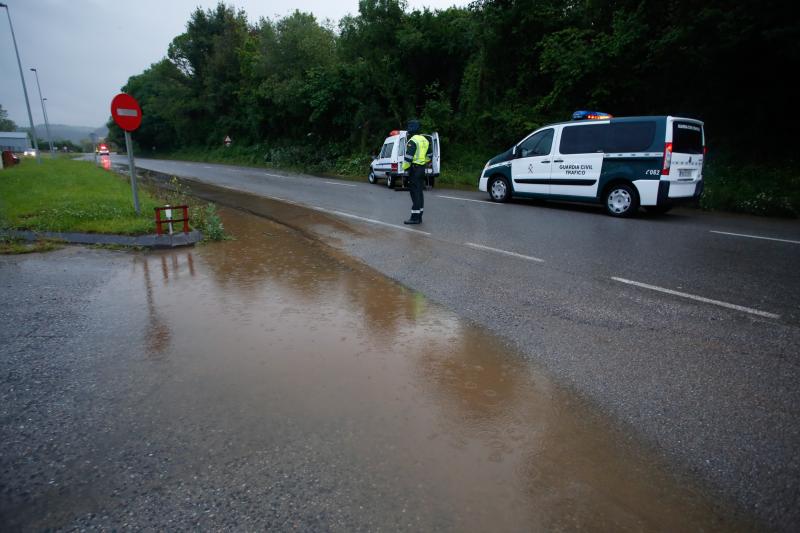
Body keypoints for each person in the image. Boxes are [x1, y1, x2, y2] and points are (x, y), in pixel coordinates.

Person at [402, 120, 431, 225]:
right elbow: (429, 156)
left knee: (414, 193)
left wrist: (404, 168)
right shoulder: (425, 140)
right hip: (422, 169)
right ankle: (419, 216)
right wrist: (423, 162)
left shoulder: (412, 141)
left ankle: (414, 218)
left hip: (414, 169)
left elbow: (408, 158)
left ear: (411, 130)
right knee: (419, 192)